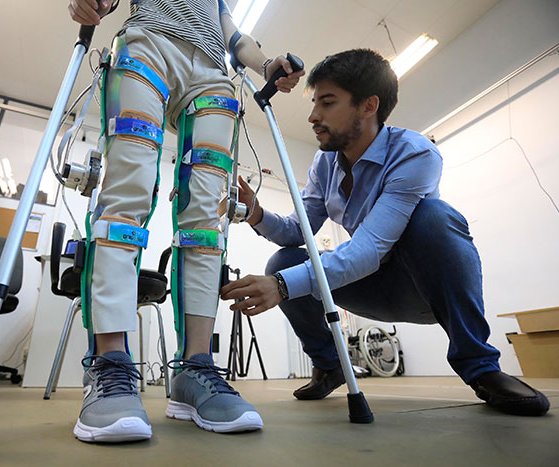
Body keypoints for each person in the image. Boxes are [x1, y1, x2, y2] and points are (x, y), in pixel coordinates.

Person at [220, 48, 550, 417]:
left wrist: (281, 287)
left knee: (434, 217)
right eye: (314, 103)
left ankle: (481, 367)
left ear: (368, 105)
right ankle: (330, 365)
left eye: (327, 103)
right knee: (284, 261)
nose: (313, 116)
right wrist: (257, 213)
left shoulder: (414, 153)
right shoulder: (325, 162)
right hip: (366, 287)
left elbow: (369, 249)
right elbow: (299, 232)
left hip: (420, 289)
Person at [67, 0, 304, 442]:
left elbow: (232, 33)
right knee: (127, 192)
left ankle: (195, 369)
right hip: (149, 42)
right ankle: (110, 363)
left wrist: (266, 64)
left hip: (212, 73)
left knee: (207, 223)